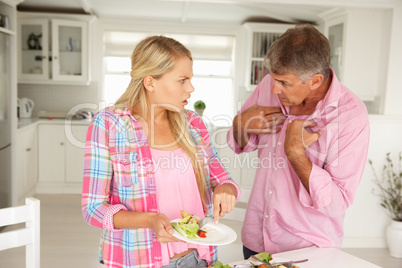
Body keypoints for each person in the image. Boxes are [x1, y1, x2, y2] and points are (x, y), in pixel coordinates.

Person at [82, 35, 239, 268]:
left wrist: (226, 190)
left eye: (190, 79)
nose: (191, 88)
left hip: (197, 258)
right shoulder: (109, 125)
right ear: (150, 82)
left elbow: (222, 179)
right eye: (182, 80)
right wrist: (149, 220)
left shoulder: (193, 124)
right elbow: (93, 209)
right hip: (139, 261)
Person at [226, 24, 370, 258]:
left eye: (284, 83)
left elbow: (337, 202)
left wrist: (295, 154)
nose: (273, 89)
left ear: (315, 81)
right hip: (257, 236)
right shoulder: (270, 85)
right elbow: (241, 144)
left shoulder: (350, 117)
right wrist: (239, 124)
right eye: (273, 78)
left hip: (306, 248)